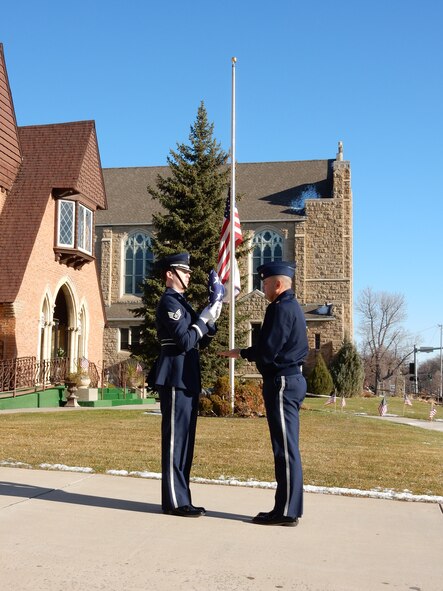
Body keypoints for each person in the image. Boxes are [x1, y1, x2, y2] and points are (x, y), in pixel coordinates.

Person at [220, 261, 308, 526]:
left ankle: (288, 512)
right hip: (289, 379)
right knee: (284, 447)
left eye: (266, 283)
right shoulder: (291, 307)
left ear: (278, 285)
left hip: (282, 381)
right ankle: (283, 508)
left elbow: (269, 349)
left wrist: (242, 353)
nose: (263, 287)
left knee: (285, 449)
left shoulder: (281, 309)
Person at [154, 252, 221, 517]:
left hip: (187, 378)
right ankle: (174, 501)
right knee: (175, 442)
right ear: (170, 274)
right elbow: (184, 340)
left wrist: (213, 310)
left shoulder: (182, 303)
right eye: (184, 271)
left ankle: (182, 498)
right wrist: (203, 320)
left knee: (186, 443)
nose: (190, 275)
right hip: (174, 378)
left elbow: (201, 337)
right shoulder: (169, 302)